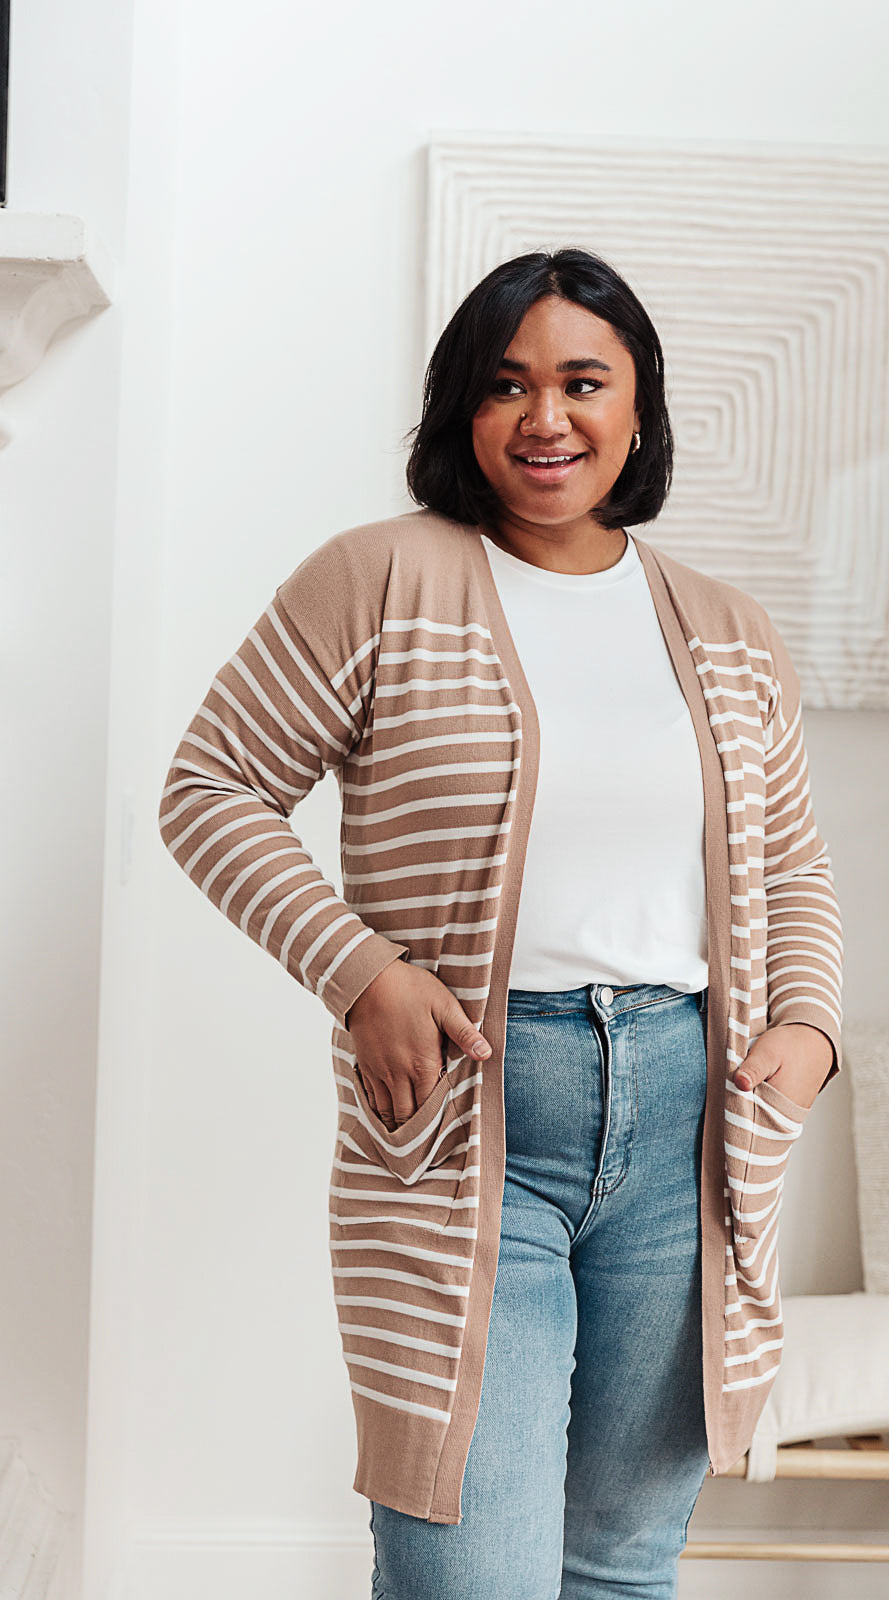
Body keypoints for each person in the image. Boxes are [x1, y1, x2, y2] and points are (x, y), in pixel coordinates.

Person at [158, 246, 844, 1599]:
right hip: (474, 1110)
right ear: (461, 413)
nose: (547, 417)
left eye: (583, 381)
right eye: (506, 384)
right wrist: (363, 973)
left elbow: (799, 862)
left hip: (695, 1115)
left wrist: (811, 1031)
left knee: (620, 1561)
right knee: (470, 1567)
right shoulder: (380, 579)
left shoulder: (725, 627)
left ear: (637, 406)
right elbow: (211, 787)